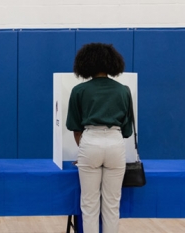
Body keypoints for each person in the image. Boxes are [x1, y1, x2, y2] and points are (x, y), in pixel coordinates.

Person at [66, 43, 133, 233]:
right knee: (112, 204)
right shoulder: (123, 90)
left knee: (89, 204)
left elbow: (75, 127)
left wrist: (83, 151)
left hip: (90, 141)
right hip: (115, 141)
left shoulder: (79, 91)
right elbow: (127, 130)